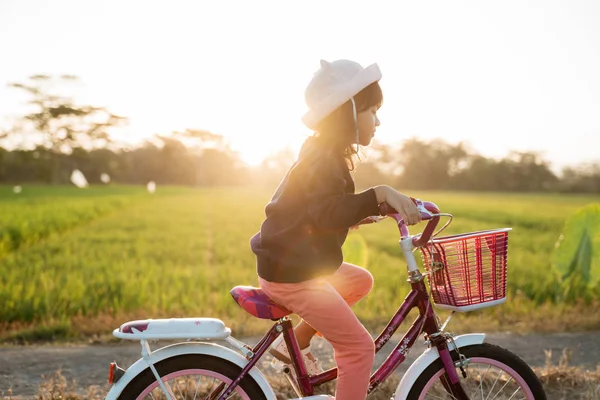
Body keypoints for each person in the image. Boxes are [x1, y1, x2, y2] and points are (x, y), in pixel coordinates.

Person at [250, 59, 421, 400]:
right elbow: (326, 210)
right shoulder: (324, 159)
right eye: (372, 111)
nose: (378, 120)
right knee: (358, 348)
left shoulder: (323, 153)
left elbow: (316, 211)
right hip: (292, 274)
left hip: (293, 263)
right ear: (348, 111)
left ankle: (297, 341)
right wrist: (379, 194)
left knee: (360, 281)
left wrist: (361, 213)